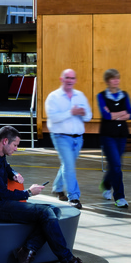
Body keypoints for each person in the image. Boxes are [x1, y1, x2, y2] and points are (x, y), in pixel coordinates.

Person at [0, 125, 100, 263]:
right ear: (5, 141)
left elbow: (6, 167)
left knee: (55, 210)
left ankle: (27, 250)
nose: (17, 149)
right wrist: (28, 193)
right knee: (46, 212)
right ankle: (68, 261)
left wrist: (13, 174)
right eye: (15, 145)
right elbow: (3, 194)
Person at [44, 68, 90, 209]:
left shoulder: (80, 96)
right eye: (67, 77)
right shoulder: (53, 97)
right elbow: (53, 118)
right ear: (61, 79)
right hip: (60, 137)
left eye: (72, 78)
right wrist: (71, 112)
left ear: (75, 80)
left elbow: (88, 116)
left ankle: (58, 188)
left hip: (78, 138)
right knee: (69, 165)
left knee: (66, 164)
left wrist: (82, 113)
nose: (70, 80)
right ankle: (74, 197)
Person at [97, 69, 131, 208]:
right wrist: (121, 113)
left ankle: (106, 184)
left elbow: (130, 113)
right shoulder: (101, 96)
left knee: (115, 165)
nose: (116, 81)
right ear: (107, 81)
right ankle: (119, 197)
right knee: (117, 165)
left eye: (117, 78)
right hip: (108, 135)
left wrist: (114, 114)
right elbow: (106, 116)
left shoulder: (124, 95)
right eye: (113, 79)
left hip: (121, 134)